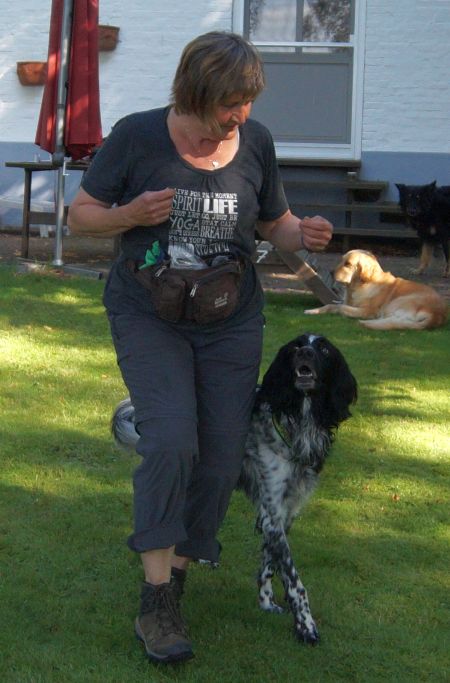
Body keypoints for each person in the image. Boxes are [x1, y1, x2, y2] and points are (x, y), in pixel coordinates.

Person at [68, 31, 332, 664]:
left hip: (230, 319)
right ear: (194, 92)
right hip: (149, 313)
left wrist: (303, 232)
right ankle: (156, 601)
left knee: (218, 460)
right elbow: (82, 214)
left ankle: (177, 576)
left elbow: (273, 222)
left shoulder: (256, 142)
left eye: (247, 101)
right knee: (170, 442)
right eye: (228, 103)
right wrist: (130, 214)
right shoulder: (137, 136)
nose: (239, 115)